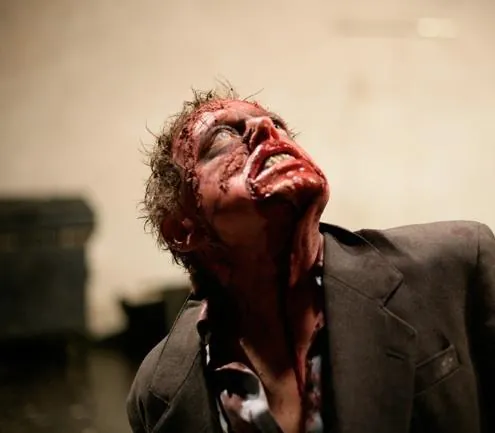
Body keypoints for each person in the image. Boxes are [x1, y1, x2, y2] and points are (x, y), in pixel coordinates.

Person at [127, 88, 495, 433]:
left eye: (278, 124)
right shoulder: (159, 391)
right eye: (221, 138)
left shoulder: (456, 266)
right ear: (183, 229)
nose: (266, 127)